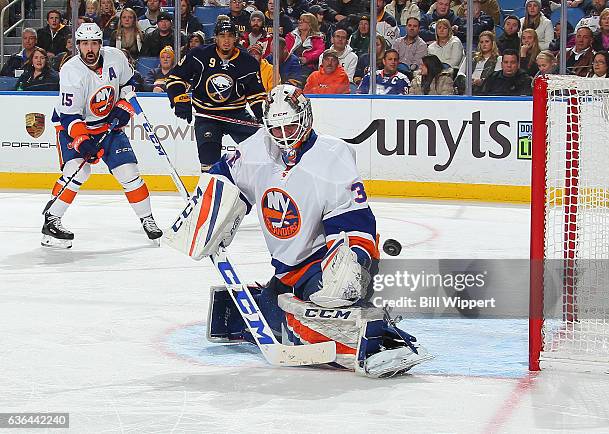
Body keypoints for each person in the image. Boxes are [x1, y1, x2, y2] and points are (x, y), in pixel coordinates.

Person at [177, 83, 432, 377]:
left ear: (306, 118)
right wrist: (201, 216)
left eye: (291, 127)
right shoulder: (255, 151)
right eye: (276, 129)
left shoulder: (332, 155)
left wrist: (354, 265)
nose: (284, 136)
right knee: (277, 322)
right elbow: (222, 179)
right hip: (288, 271)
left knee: (326, 303)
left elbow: (355, 221)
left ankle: (380, 338)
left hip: (323, 265)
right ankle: (280, 306)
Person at [43, 22, 162, 248]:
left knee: (128, 172)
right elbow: (69, 117)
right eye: (85, 43)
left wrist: (124, 106)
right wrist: (83, 142)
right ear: (78, 45)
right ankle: (52, 220)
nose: (90, 49)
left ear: (100, 44)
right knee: (79, 170)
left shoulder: (116, 57)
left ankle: (147, 219)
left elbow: (130, 83)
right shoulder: (71, 71)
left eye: (94, 43)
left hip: (108, 123)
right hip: (75, 125)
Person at [166, 20, 266, 173]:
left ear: (236, 38)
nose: (226, 40)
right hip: (207, 115)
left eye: (230, 36)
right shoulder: (199, 55)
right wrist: (180, 99)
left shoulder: (248, 62)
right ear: (215, 38)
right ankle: (210, 190)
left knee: (259, 150)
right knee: (208, 158)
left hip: (236, 114)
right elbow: (175, 78)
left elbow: (256, 94)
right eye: (222, 36)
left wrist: (262, 115)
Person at [456, 30, 501, 94]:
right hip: (468, 85)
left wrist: (481, 81)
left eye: (487, 41)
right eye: (481, 42)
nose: (484, 44)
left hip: (485, 89)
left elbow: (496, 78)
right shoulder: (470, 56)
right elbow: (460, 73)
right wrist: (468, 80)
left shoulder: (498, 59)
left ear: (493, 43)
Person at [285, 13, 325, 78]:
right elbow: (286, 49)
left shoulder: (317, 38)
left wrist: (307, 58)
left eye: (303, 21)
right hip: (290, 63)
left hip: (307, 66)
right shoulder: (291, 36)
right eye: (300, 20)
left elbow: (319, 51)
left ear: (310, 24)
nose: (300, 22)